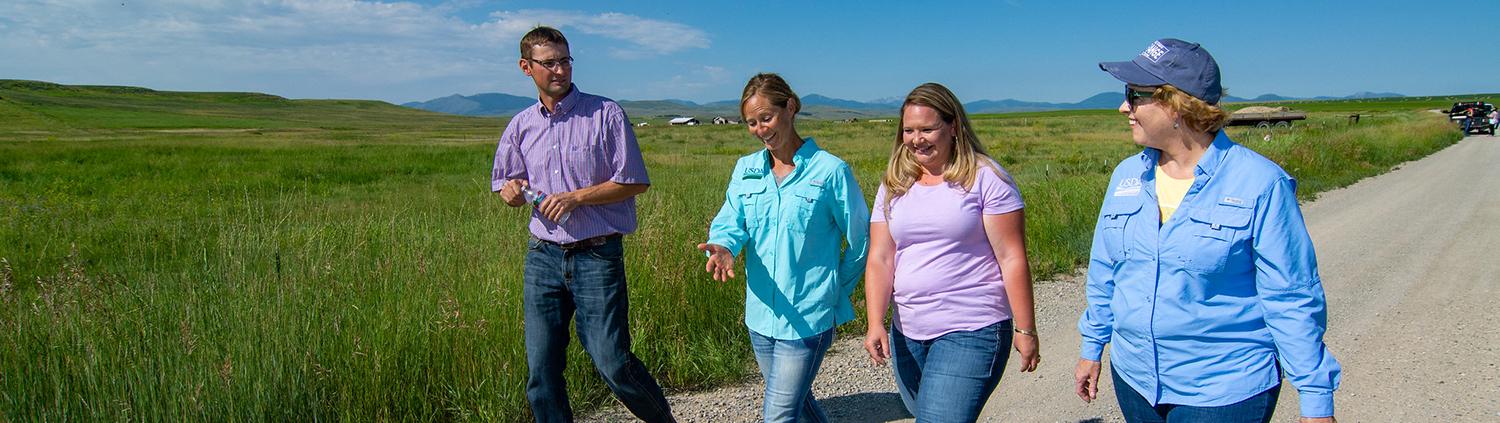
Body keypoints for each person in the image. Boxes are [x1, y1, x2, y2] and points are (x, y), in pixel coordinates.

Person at [1075, 38, 1342, 423]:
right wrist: (1092, 345)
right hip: (1135, 380)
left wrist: (1316, 400)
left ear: (1176, 105)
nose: (1124, 107)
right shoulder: (1126, 177)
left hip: (1223, 389)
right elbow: (1106, 272)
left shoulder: (1260, 184)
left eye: (1134, 95)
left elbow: (1291, 296)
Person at [492, 26, 675, 423]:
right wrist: (509, 192)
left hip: (597, 255)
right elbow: (507, 183)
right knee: (542, 373)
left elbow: (635, 181)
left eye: (565, 61)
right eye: (549, 63)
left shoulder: (605, 114)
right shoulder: (521, 125)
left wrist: (575, 197)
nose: (559, 70)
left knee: (613, 363)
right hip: (542, 258)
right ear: (526, 67)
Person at [862, 82, 1040, 422]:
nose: (917, 139)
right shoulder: (895, 183)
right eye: (909, 130)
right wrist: (875, 322)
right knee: (925, 413)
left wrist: (1026, 329)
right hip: (908, 330)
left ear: (953, 127)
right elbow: (881, 258)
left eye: (928, 129)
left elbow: (1012, 257)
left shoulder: (987, 178)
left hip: (973, 326)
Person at [699, 73, 870, 423]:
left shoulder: (830, 171)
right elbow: (731, 221)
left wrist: (835, 291)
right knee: (798, 404)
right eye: (751, 123)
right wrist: (724, 246)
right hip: (760, 316)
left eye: (767, 117)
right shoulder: (745, 169)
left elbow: (861, 239)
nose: (760, 129)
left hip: (809, 318)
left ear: (789, 107)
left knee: (778, 415)